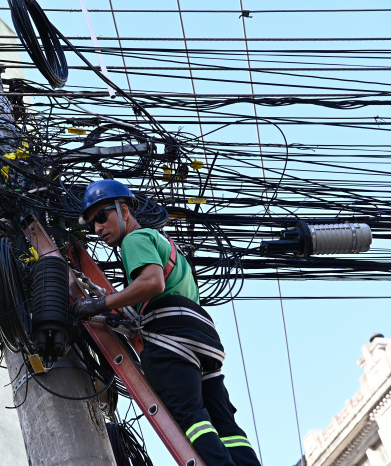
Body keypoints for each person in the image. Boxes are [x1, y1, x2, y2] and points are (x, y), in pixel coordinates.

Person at [73, 180, 261, 466]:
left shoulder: (135, 240)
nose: (98, 228)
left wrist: (101, 303)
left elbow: (152, 282)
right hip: (205, 340)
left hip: (171, 339)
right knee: (225, 425)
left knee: (191, 418)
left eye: (102, 216)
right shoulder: (166, 244)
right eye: (92, 223)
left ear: (124, 211)